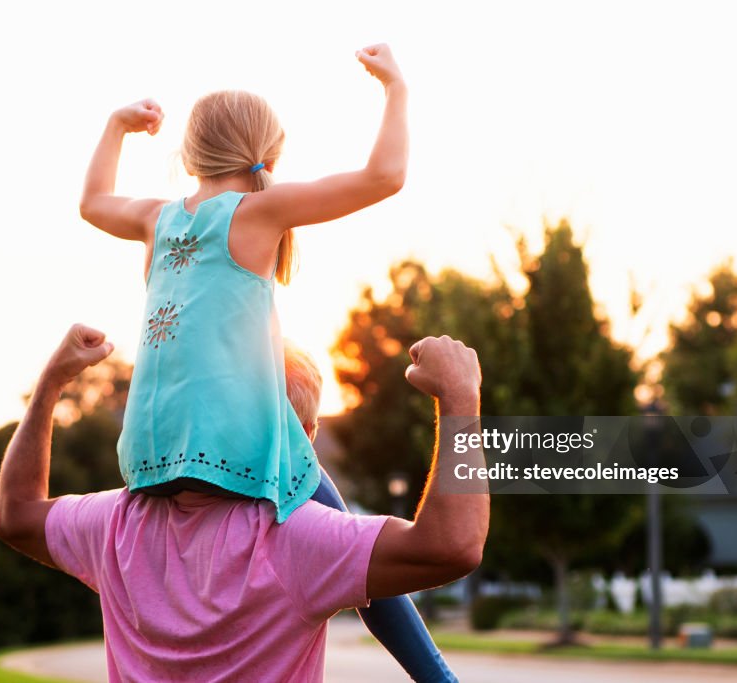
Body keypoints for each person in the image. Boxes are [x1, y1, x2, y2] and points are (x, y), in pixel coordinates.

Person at [77, 43, 455, 680]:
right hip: (228, 446)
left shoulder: (155, 218)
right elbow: (384, 176)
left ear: (190, 155)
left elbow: (91, 203)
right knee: (355, 542)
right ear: (268, 156)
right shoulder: (257, 211)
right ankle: (438, 678)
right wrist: (396, 87)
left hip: (147, 451)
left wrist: (116, 126)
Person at [0, 325, 488, 682]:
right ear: (307, 439)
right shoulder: (294, 541)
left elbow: (14, 513)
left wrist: (51, 383)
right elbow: (452, 546)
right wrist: (459, 397)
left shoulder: (117, 525)